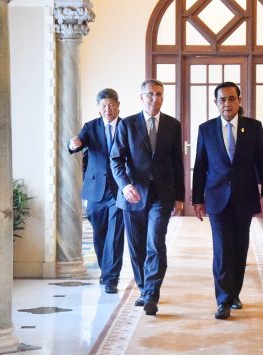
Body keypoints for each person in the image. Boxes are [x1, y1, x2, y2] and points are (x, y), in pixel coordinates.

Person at [192, 81, 263, 320]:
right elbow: (200, 166)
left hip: (244, 196)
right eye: (222, 100)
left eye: (231, 98)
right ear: (216, 103)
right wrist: (197, 199)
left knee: (239, 247)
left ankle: (234, 293)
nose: (226, 103)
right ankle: (223, 300)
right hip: (216, 197)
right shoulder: (206, 129)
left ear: (239, 101)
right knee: (222, 248)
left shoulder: (253, 127)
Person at [110, 79, 185, 316]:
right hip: (133, 194)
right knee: (137, 246)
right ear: (141, 97)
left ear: (163, 97)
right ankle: (143, 289)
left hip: (161, 194)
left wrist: (180, 196)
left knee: (155, 241)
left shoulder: (172, 125)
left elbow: (177, 162)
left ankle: (152, 293)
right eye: (150, 94)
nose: (154, 98)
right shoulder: (127, 124)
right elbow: (116, 159)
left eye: (159, 94)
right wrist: (125, 186)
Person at [68, 88, 125, 294]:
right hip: (96, 191)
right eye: (104, 106)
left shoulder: (127, 126)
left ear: (118, 106)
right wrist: (72, 144)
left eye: (111, 105)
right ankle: (105, 270)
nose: (108, 109)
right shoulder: (90, 127)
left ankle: (111, 278)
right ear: (99, 109)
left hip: (119, 190)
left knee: (115, 235)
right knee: (100, 235)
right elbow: (77, 144)